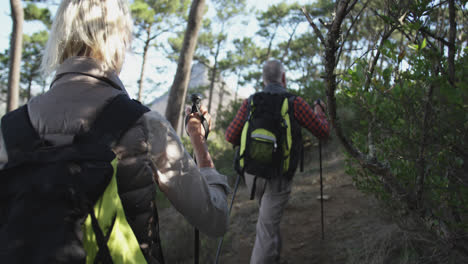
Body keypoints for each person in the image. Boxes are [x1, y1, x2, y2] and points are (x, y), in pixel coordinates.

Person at [0, 0, 229, 263]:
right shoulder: (144, 124)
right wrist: (199, 143)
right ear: (119, 38)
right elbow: (215, 218)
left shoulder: (9, 130)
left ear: (60, 37)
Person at [225, 59, 330, 264]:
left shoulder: (250, 102)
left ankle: (274, 257)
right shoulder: (294, 103)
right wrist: (319, 111)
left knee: (268, 220)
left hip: (252, 174)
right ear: (283, 77)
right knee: (266, 228)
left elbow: (230, 136)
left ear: (263, 79)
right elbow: (323, 131)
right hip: (278, 176)